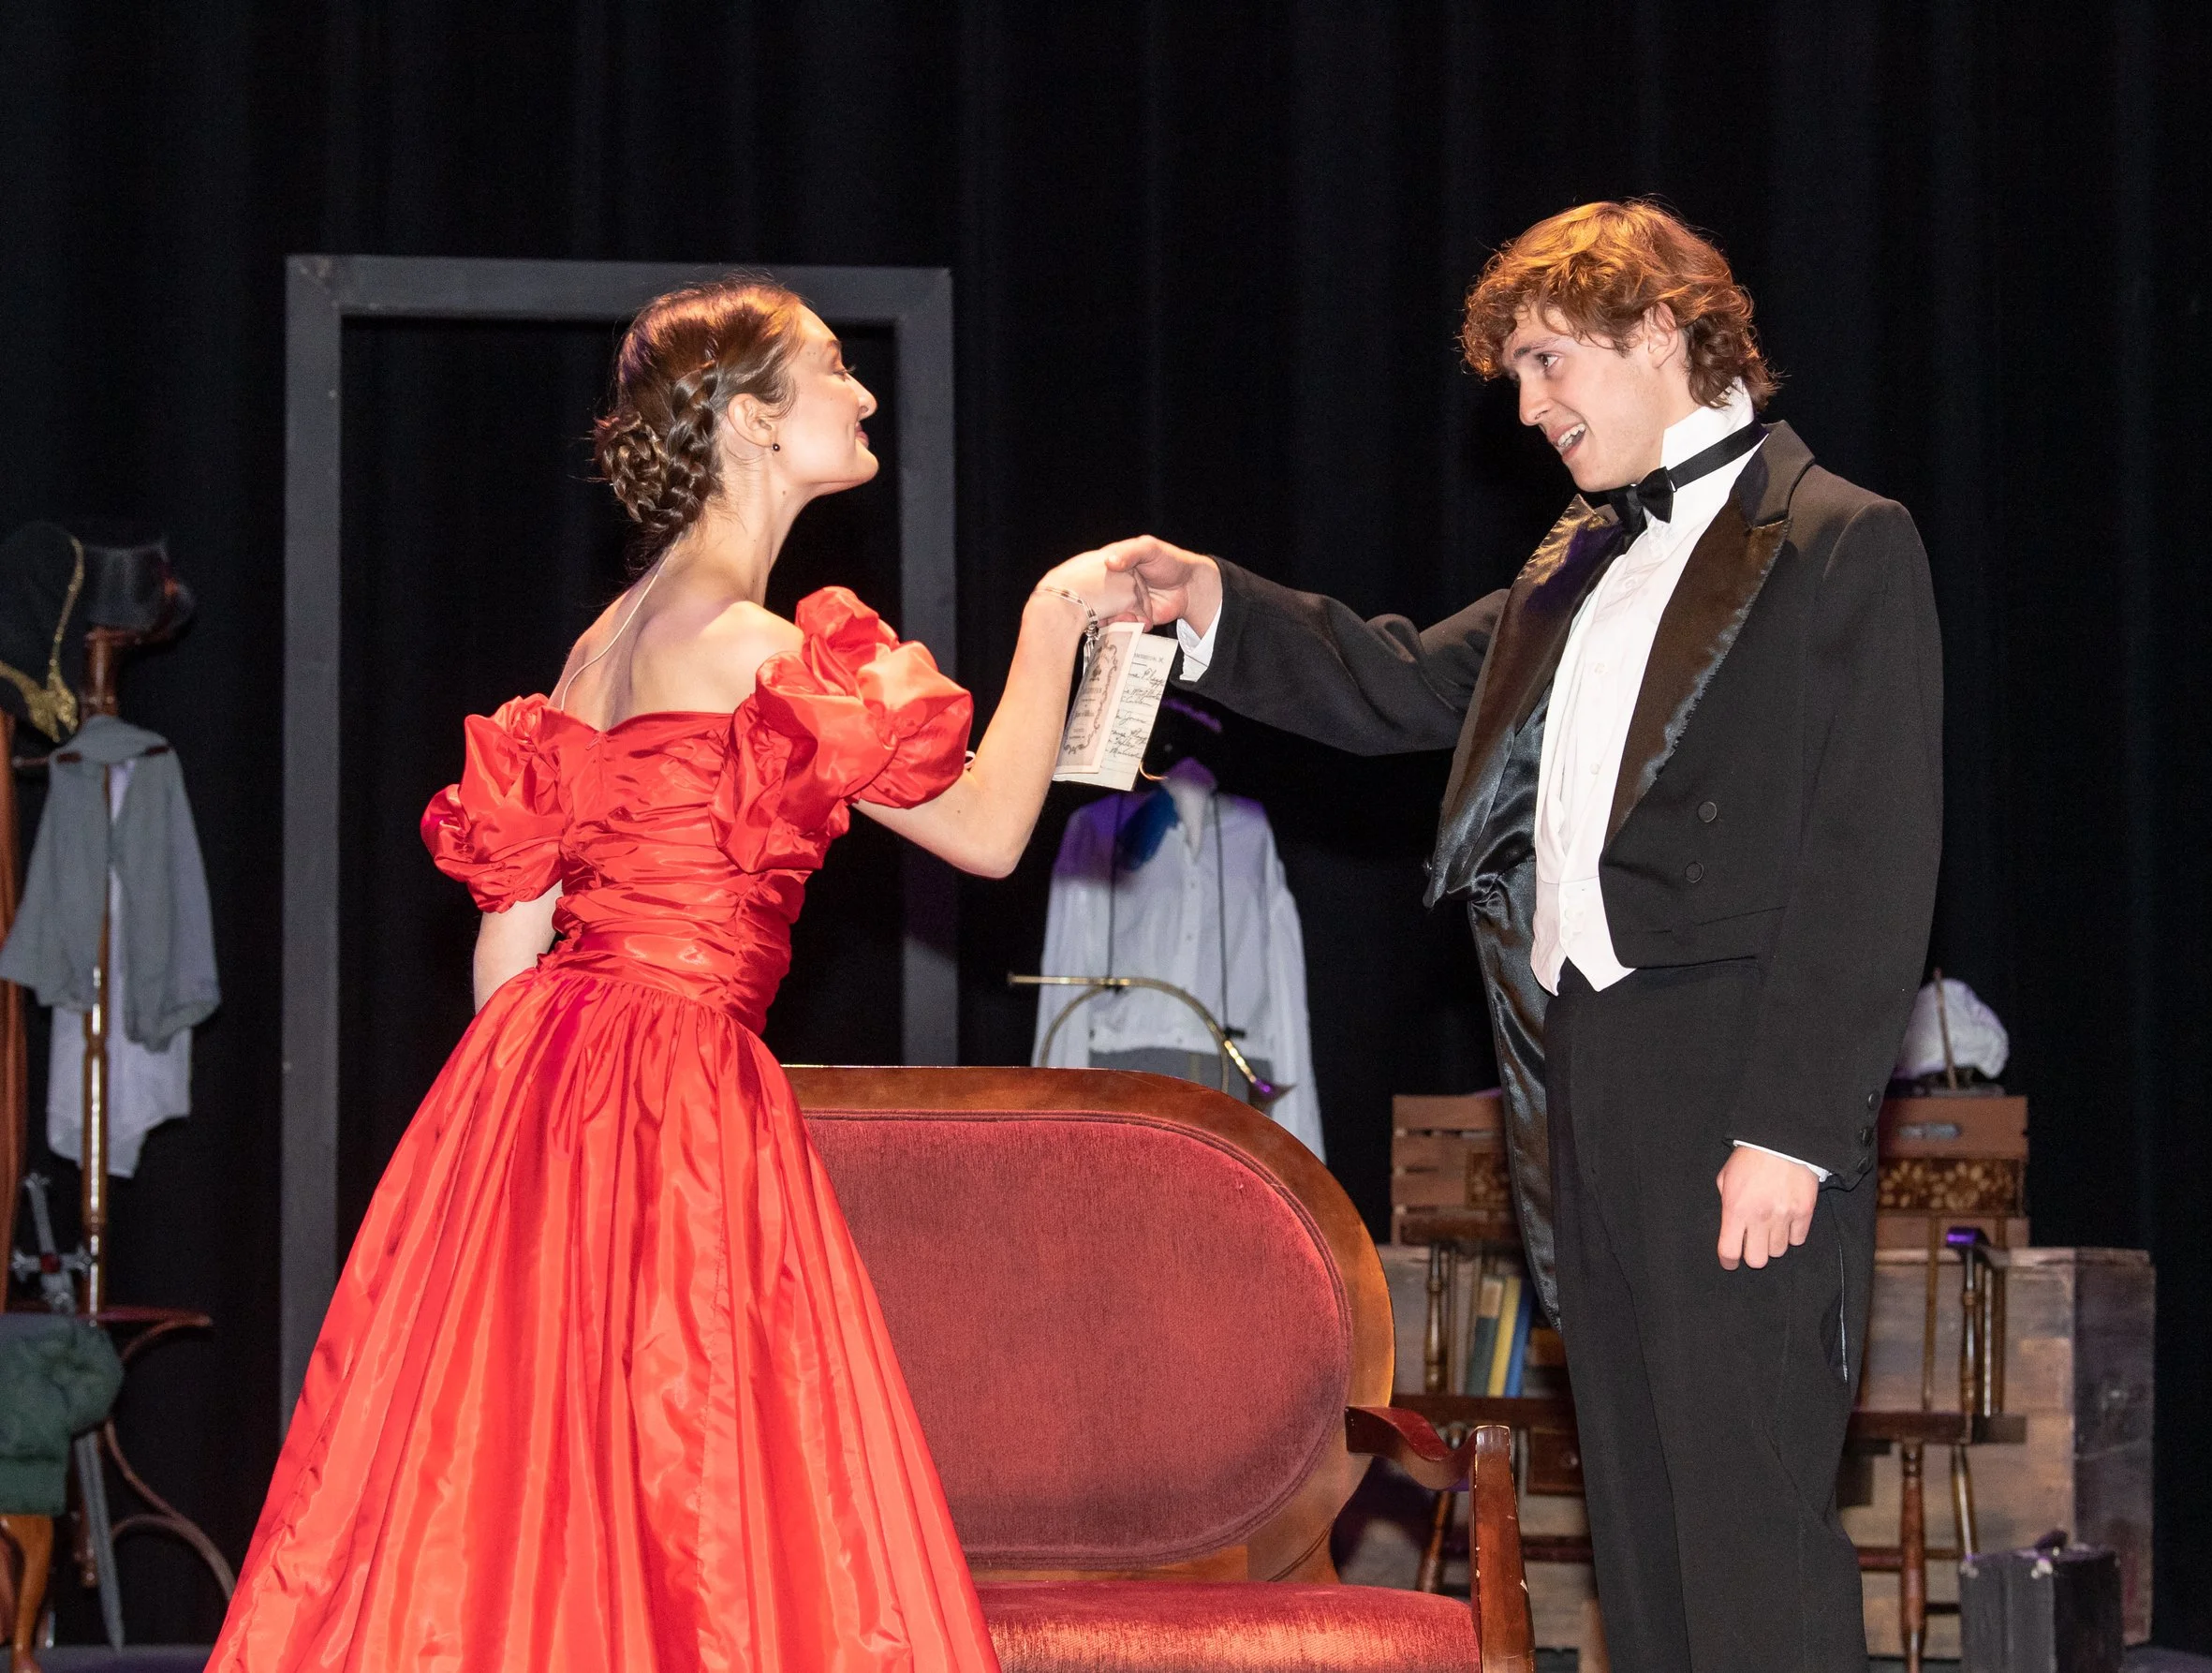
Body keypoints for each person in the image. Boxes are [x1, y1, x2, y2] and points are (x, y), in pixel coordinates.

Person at [207, 277, 1131, 1672]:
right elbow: (994, 832)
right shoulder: (765, 656)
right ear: (756, 421)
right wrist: (1061, 611)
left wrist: (511, 1160)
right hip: (679, 1085)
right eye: (832, 369)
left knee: (536, 1477)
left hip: (537, 1083)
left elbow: (509, 943)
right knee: (697, 1484)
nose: (864, 393)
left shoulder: (604, 642)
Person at [1104, 201, 1942, 1672]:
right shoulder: (1577, 562)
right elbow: (1398, 682)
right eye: (1519, 379)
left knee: (1748, 1521)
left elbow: (1870, 859)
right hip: (1581, 1072)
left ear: (1666, 330)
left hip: (1735, 1079)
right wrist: (1212, 604)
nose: (1533, 405)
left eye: (1553, 361)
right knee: (1639, 1511)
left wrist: (1794, 1129)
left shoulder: (1839, 540)